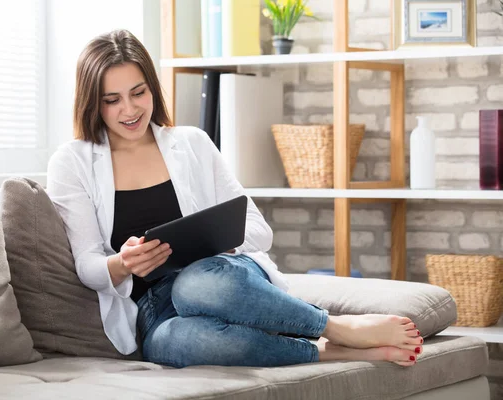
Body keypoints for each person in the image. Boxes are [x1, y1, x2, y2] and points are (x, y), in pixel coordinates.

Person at [47, 29, 424, 369]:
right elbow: (87, 265)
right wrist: (121, 264)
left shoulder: (191, 142)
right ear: (92, 103)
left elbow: (259, 230)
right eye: (112, 100)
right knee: (173, 342)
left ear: (152, 88)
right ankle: (327, 350)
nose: (129, 110)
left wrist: (214, 243)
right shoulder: (72, 162)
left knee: (193, 283)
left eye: (138, 93)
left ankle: (337, 328)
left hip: (221, 279)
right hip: (154, 310)